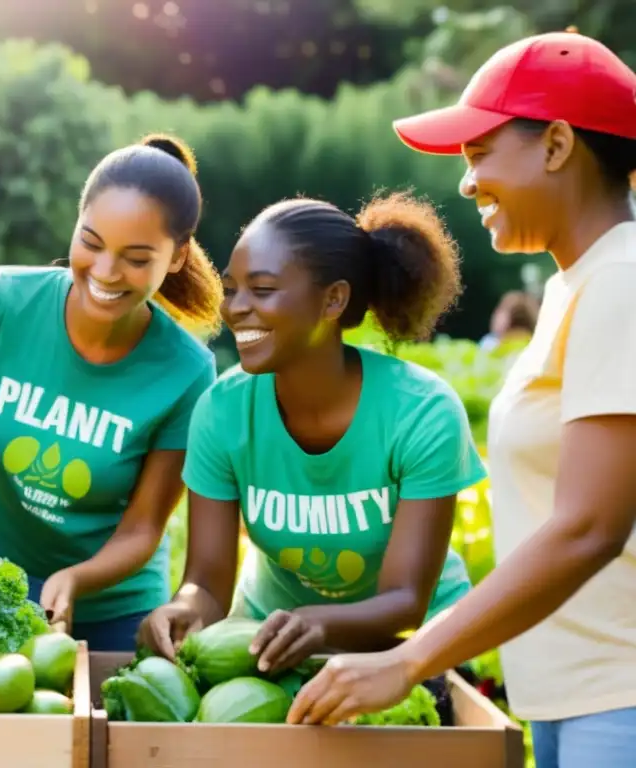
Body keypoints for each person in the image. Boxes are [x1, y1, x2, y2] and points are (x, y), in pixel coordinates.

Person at [287, 31, 636, 768]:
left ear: (557, 145)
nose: (466, 183)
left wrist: (407, 663)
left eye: (479, 153)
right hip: (577, 697)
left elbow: (589, 527)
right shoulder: (581, 284)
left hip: (621, 696)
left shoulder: (622, 282)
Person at [0, 134, 222, 651]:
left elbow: (141, 530)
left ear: (176, 258)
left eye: (135, 257)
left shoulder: (188, 371)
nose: (105, 272)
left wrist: (76, 579)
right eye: (91, 241)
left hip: (105, 611)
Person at [137, 190, 485, 674]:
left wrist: (319, 624)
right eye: (232, 288)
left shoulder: (421, 412)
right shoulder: (223, 410)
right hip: (271, 647)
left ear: (333, 300)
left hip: (414, 651)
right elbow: (209, 583)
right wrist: (186, 608)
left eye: (261, 289)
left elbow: (405, 600)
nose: (235, 308)